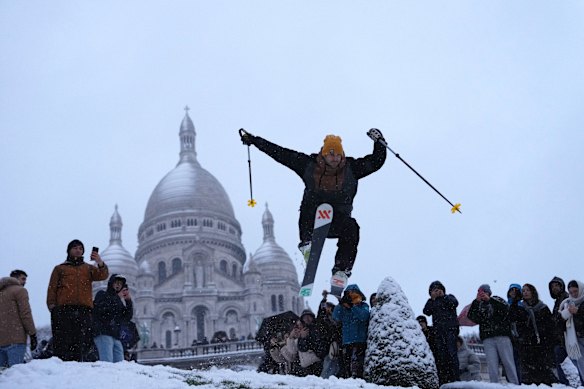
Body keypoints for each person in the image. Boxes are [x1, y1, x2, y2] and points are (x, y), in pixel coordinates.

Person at [240, 129, 386, 283]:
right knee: (310, 203)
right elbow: (281, 153)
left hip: (337, 221)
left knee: (352, 227)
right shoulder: (308, 165)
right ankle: (307, 243)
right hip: (313, 219)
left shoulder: (351, 168)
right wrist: (255, 141)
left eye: (338, 154)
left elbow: (376, 162)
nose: (335, 158)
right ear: (323, 154)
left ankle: (341, 270)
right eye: (331, 154)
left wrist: (380, 142)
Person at [47, 239, 109, 361]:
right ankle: (63, 366)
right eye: (75, 248)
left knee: (82, 341)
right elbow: (52, 288)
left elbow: (103, 275)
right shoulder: (60, 268)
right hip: (64, 309)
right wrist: (52, 307)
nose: (78, 250)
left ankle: (79, 368)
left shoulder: (88, 268)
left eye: (80, 248)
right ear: (69, 250)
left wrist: (99, 261)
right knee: (64, 341)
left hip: (84, 310)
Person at [468, 284, 519, 384]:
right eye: (479, 292)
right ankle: (494, 385)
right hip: (487, 338)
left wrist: (489, 300)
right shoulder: (478, 305)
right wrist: (476, 302)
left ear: (489, 292)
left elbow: (505, 310)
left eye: (484, 292)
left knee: (508, 362)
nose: (482, 294)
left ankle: (515, 384)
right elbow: (472, 317)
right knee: (492, 365)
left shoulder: (497, 299)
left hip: (502, 336)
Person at [509, 283, 557, 385]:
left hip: (542, 344)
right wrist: (515, 301)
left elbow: (550, 326)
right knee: (529, 376)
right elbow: (512, 317)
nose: (525, 292)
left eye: (527, 290)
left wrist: (549, 341)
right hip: (527, 345)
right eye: (523, 291)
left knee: (544, 374)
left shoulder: (542, 308)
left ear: (533, 292)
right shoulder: (520, 308)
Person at [423, 280, 460, 385]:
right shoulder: (432, 302)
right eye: (433, 290)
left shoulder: (449, 297)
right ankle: (444, 380)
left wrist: (444, 296)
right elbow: (426, 311)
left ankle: (455, 379)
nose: (436, 291)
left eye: (438, 289)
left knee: (451, 354)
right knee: (441, 356)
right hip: (438, 332)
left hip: (450, 330)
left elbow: (455, 303)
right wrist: (432, 300)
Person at [93, 274, 134, 362]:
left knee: (119, 364)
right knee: (107, 362)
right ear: (111, 283)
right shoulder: (102, 294)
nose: (118, 285)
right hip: (103, 333)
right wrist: (116, 298)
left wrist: (128, 301)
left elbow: (127, 317)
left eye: (120, 283)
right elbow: (103, 311)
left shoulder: (118, 301)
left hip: (115, 335)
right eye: (116, 282)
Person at [332, 284, 369, 378]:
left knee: (358, 367)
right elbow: (335, 316)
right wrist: (341, 303)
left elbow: (364, 316)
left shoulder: (363, 306)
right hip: (347, 342)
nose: (352, 297)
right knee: (346, 367)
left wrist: (353, 306)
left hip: (359, 342)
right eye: (349, 295)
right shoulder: (343, 309)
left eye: (354, 295)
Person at [0, 272, 37, 367]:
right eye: (23, 279)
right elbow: (25, 314)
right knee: (16, 373)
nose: (25, 282)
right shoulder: (20, 291)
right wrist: (32, 334)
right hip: (16, 340)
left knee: (4, 377)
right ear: (15, 278)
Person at [559, 279, 584, 384]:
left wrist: (579, 312)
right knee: (581, 363)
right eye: (571, 292)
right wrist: (565, 314)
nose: (574, 294)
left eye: (576, 291)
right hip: (576, 339)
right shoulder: (566, 304)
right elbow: (559, 322)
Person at [549, 276, 572, 385]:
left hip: (567, 338)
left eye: (557, 285)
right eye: (552, 286)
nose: (555, 288)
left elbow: (563, 318)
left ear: (562, 286)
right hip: (560, 339)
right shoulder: (558, 301)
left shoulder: (566, 298)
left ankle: (566, 384)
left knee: (569, 363)